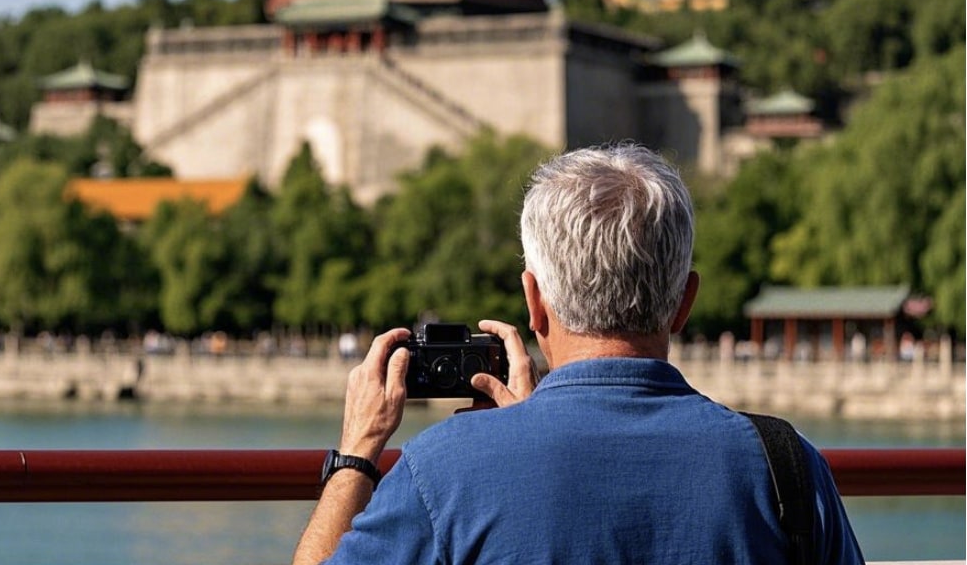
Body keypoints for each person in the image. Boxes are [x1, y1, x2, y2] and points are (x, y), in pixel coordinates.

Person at [293, 143, 864, 565]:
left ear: (533, 302)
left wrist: (356, 457)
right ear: (684, 302)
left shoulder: (444, 469)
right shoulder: (786, 466)